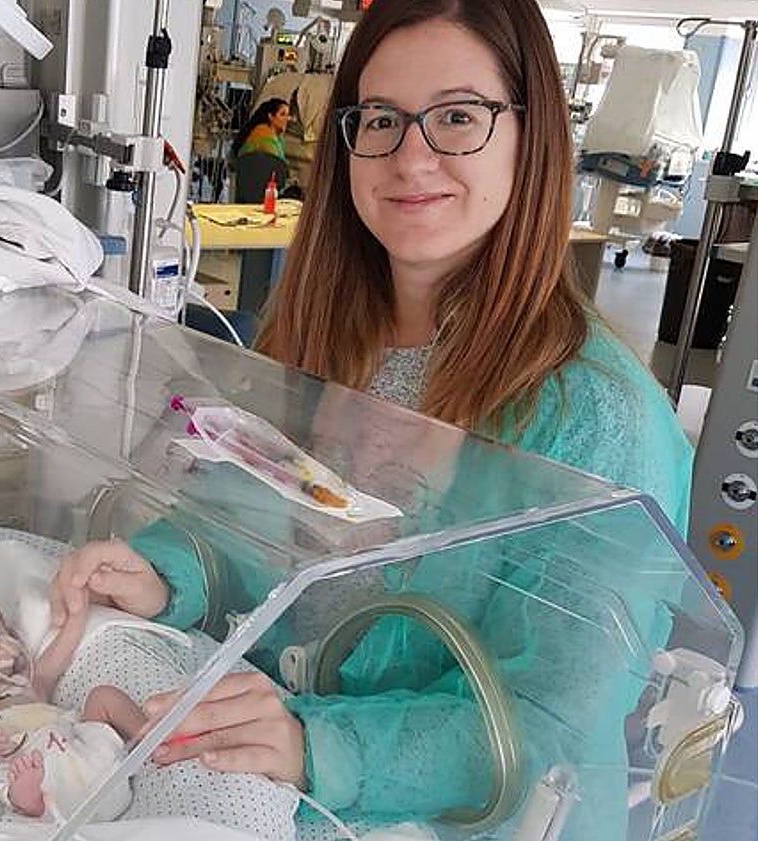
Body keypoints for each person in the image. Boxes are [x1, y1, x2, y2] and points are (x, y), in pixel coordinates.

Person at [49, 0, 693, 835]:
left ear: (531, 138)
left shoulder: (596, 418)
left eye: (458, 117)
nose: (411, 157)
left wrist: (322, 744)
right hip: (283, 791)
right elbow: (249, 524)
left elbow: (549, 728)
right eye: (381, 120)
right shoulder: (318, 333)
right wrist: (170, 571)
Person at [0, 588, 144, 820]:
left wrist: (78, 613)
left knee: (103, 696)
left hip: (83, 757)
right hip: (30, 776)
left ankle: (151, 735)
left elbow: (62, 649)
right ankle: (25, 799)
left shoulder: (30, 682)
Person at [232, 98, 292, 204]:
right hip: (255, 189)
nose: (288, 119)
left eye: (288, 115)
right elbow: (274, 165)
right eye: (282, 114)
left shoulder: (278, 136)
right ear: (271, 117)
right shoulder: (262, 134)